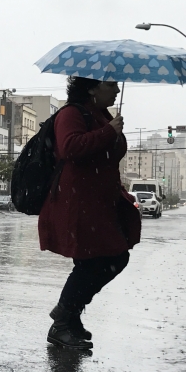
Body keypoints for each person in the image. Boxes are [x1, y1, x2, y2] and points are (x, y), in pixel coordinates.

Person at [39, 77, 141, 350]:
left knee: (109, 258)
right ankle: (63, 321)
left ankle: (69, 316)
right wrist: (109, 131)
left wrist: (111, 130)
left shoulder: (102, 115)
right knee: (96, 262)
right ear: (92, 87)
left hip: (99, 203)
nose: (117, 89)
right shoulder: (71, 113)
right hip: (78, 204)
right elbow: (70, 147)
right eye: (111, 84)